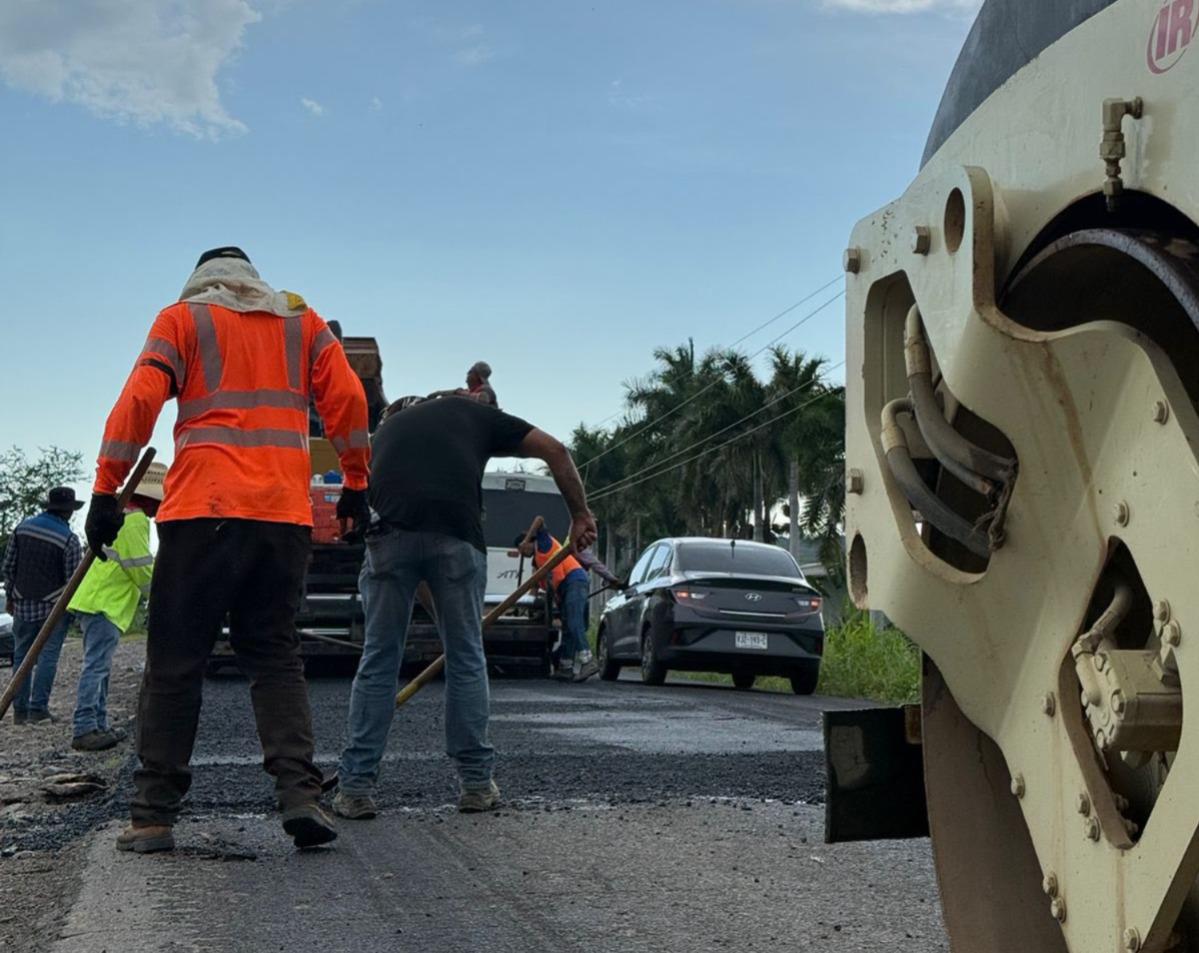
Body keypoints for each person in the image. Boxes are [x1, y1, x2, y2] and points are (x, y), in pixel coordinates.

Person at [84, 246, 371, 854]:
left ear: (200, 282)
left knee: (176, 661)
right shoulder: (302, 321)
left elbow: (139, 400)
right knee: (274, 655)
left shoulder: (183, 319)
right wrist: (356, 482)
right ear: (252, 279)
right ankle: (300, 794)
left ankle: (153, 815)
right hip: (282, 515)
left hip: (201, 512)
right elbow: (347, 400)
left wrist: (107, 489)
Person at [333, 395, 597, 821]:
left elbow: (413, 559)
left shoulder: (383, 433)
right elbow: (556, 450)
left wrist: (446, 624)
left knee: (379, 658)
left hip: (387, 537)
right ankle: (476, 785)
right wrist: (580, 514)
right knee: (466, 658)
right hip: (455, 536)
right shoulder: (473, 414)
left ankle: (355, 787)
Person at [67, 462, 166, 751]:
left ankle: (98, 725)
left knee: (101, 666)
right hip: (104, 602)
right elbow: (139, 566)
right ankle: (85, 727)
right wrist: (161, 595)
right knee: (97, 666)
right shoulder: (134, 520)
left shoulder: (118, 516)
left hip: (95, 599)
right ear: (150, 498)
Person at [1, 487, 84, 724]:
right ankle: (38, 708)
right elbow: (73, 581)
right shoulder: (69, 539)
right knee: (48, 656)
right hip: (53, 608)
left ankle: (19, 710)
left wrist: (10, 596)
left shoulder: (22, 528)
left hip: (22, 604)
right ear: (68, 511)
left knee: (21, 656)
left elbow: (9, 567)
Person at [515, 516, 623, 682]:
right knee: (568, 627)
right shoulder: (537, 563)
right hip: (565, 589)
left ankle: (587, 660)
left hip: (575, 580)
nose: (523, 552)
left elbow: (539, 519)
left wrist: (527, 538)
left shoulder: (542, 543)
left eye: (522, 548)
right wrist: (524, 611)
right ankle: (565, 666)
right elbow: (534, 589)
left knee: (574, 622)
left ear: (528, 542)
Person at [430, 361, 497, 407]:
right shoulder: (469, 391)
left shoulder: (487, 389)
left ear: (477, 376)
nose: (467, 373)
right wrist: (439, 393)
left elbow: (483, 399)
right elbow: (457, 393)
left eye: (470, 371)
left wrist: (459, 393)